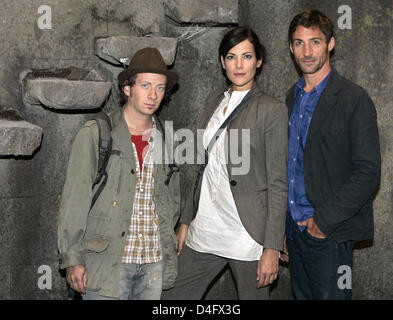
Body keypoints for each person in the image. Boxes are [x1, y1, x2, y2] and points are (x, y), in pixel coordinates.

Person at [163, 27, 288, 300]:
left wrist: (272, 247)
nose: (239, 65)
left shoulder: (271, 109)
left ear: (259, 60)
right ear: (222, 62)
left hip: (247, 235)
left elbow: (278, 183)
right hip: (205, 228)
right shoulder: (213, 101)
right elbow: (201, 168)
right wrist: (185, 221)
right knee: (173, 298)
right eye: (232, 57)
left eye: (247, 56)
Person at [57, 47, 181, 300]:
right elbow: (74, 200)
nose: (153, 95)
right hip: (109, 263)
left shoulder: (166, 139)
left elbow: (173, 196)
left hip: (152, 263)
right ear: (127, 88)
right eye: (145, 85)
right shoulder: (97, 133)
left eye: (159, 88)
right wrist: (73, 258)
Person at [280, 9, 381, 300]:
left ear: (331, 44)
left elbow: (367, 172)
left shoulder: (353, 98)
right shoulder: (291, 97)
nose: (307, 51)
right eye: (299, 43)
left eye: (315, 41)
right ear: (290, 48)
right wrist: (283, 229)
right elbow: (290, 166)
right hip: (295, 235)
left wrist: (323, 223)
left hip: (329, 235)